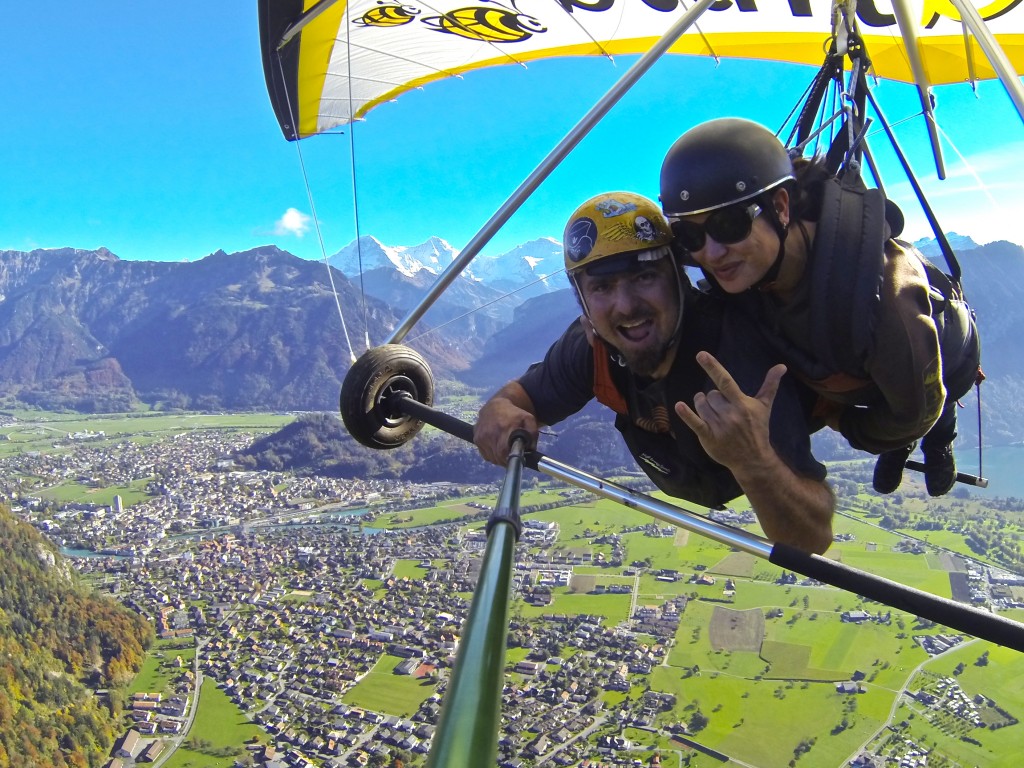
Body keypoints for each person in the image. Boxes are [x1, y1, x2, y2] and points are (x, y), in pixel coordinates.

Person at [473, 191, 835, 554]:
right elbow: (519, 396)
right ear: (583, 302)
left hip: (738, 477)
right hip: (686, 472)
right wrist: (499, 407)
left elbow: (811, 538)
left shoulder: (736, 362)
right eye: (601, 287)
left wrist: (754, 461)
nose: (627, 306)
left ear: (678, 277)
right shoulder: (594, 347)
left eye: (645, 276)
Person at [659, 117, 981, 497]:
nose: (710, 253)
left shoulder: (886, 303)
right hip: (866, 375)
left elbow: (915, 411)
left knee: (923, 420)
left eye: (729, 224)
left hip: (944, 364)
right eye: (689, 235)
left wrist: (849, 424)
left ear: (780, 207)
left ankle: (936, 445)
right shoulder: (746, 272)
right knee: (892, 417)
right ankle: (896, 444)